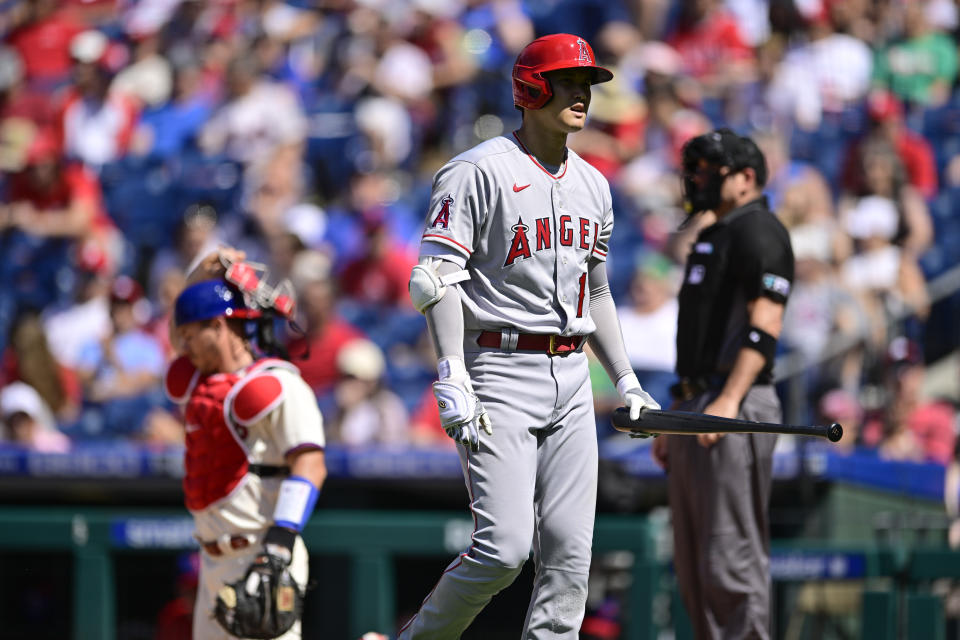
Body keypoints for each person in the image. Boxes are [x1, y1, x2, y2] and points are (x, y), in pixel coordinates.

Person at [399, 33, 659, 639]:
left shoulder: (594, 184)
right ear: (531, 87)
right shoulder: (476, 171)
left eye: (586, 83)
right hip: (499, 366)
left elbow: (595, 295)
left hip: (570, 376)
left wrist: (626, 381)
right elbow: (434, 279)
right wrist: (453, 372)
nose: (580, 94)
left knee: (571, 556)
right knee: (505, 550)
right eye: (568, 81)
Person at [652, 129, 794, 639]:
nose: (699, 179)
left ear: (747, 177)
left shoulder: (759, 229)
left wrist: (729, 401)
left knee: (729, 556)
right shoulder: (714, 233)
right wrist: (678, 412)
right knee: (694, 566)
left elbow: (766, 326)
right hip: (698, 403)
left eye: (713, 170)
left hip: (734, 400)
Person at [164, 249, 327, 640]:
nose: (183, 346)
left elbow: (310, 463)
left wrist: (279, 546)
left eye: (191, 336)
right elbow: (179, 322)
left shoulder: (278, 383)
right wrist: (199, 273)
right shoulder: (201, 383)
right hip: (212, 562)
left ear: (219, 326)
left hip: (261, 555)